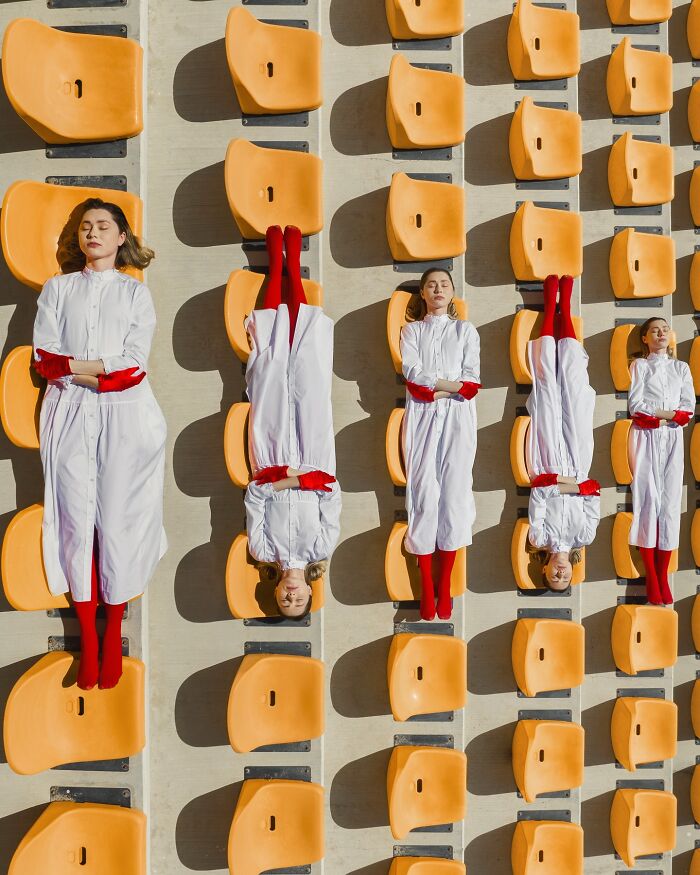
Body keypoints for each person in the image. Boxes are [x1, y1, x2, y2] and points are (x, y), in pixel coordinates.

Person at [32, 198, 167, 690]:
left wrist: (76, 367)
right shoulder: (58, 289)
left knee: (117, 523)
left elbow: (134, 368)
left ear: (121, 237)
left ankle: (114, 636)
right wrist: (94, 366)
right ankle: (89, 640)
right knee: (75, 520)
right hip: (68, 415)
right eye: (85, 227)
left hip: (125, 417)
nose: (93, 233)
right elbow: (45, 359)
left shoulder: (135, 295)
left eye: (103, 226)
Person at [243, 225, 341, 619]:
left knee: (270, 367)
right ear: (310, 592)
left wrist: (284, 479)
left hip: (270, 457)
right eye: (299, 602)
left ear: (277, 590)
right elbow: (330, 492)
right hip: (315, 454)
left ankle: (275, 263)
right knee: (306, 369)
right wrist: (301, 480)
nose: (291, 597)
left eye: (285, 601)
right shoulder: (323, 546)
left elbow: (255, 496)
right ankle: (294, 265)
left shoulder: (262, 550)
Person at [399, 268, 480, 621]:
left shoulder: (466, 331)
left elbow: (472, 383)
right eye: (431, 285)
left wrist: (440, 386)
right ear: (422, 292)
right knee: (424, 492)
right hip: (422, 416)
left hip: (459, 420)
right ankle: (426, 585)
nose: (438, 289)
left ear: (452, 292)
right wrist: (451, 385)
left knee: (455, 494)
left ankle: (444, 583)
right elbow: (414, 378)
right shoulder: (412, 331)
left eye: (444, 284)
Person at [526, 274, 600, 591]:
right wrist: (571, 487)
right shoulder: (586, 535)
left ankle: (549, 305)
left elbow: (540, 492)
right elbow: (593, 489)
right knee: (574, 387)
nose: (560, 575)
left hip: (546, 460)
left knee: (547, 391)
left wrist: (564, 486)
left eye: (554, 578)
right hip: (578, 460)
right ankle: (565, 309)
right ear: (571, 571)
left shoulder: (538, 537)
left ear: (543, 571)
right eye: (565, 578)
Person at [627, 317, 694, 605]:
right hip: (646, 436)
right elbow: (636, 406)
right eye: (655, 330)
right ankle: (651, 578)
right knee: (648, 499)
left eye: (665, 329)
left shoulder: (682, 368)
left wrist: (666, 415)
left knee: (669, 502)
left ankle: (662, 573)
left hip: (672, 439)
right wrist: (668, 415)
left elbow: (687, 410)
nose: (661, 333)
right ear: (645, 338)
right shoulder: (640, 366)